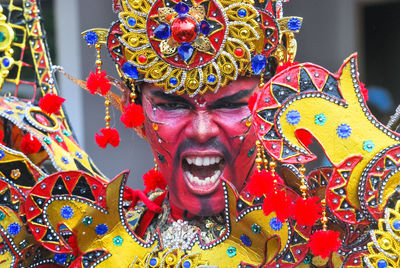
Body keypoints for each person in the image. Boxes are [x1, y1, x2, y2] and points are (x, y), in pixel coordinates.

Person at [0, 0, 398, 267]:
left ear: (271, 105)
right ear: (135, 108)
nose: (203, 130)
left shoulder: (333, 238)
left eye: (230, 104)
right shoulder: (88, 235)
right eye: (173, 105)